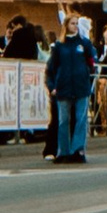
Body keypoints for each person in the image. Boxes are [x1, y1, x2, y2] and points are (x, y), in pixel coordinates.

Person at [44, 14, 98, 163]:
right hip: (64, 87)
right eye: (72, 23)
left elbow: (92, 62)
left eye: (77, 24)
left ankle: (78, 150)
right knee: (63, 121)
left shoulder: (84, 44)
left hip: (81, 87)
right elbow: (51, 68)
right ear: (66, 25)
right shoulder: (59, 46)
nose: (75, 26)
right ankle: (63, 152)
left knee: (81, 119)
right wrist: (52, 86)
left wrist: (89, 74)